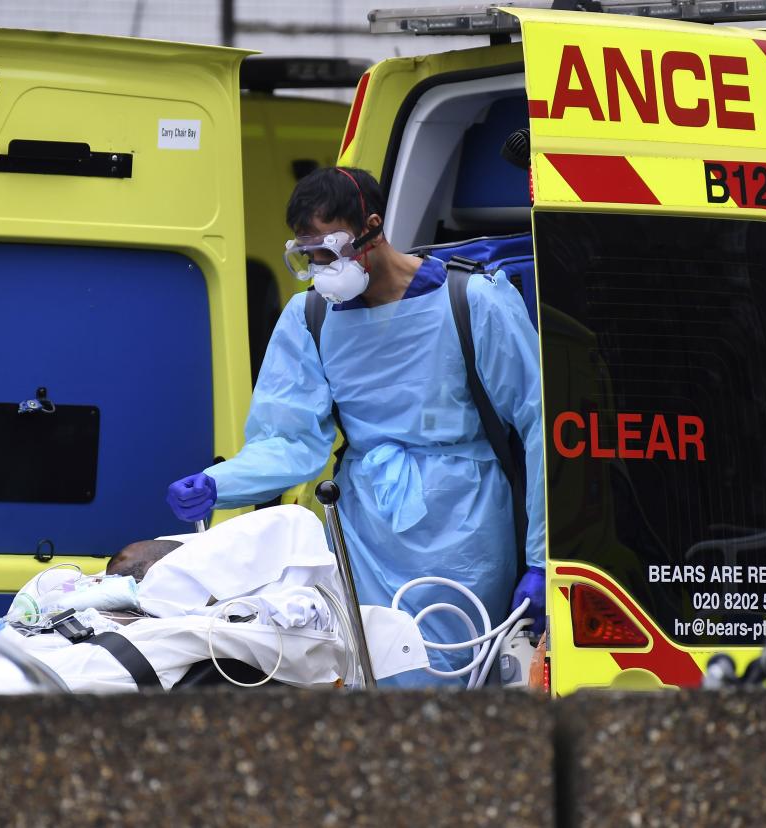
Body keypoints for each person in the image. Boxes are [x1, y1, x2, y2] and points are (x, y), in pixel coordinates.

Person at [166, 167, 545, 686]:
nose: (321, 267)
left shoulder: (473, 300)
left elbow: (540, 425)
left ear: (371, 227)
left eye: (330, 250)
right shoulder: (311, 318)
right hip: (363, 530)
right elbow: (291, 440)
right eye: (308, 255)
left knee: (453, 678)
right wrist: (220, 484)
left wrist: (544, 560)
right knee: (364, 678)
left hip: (467, 529)